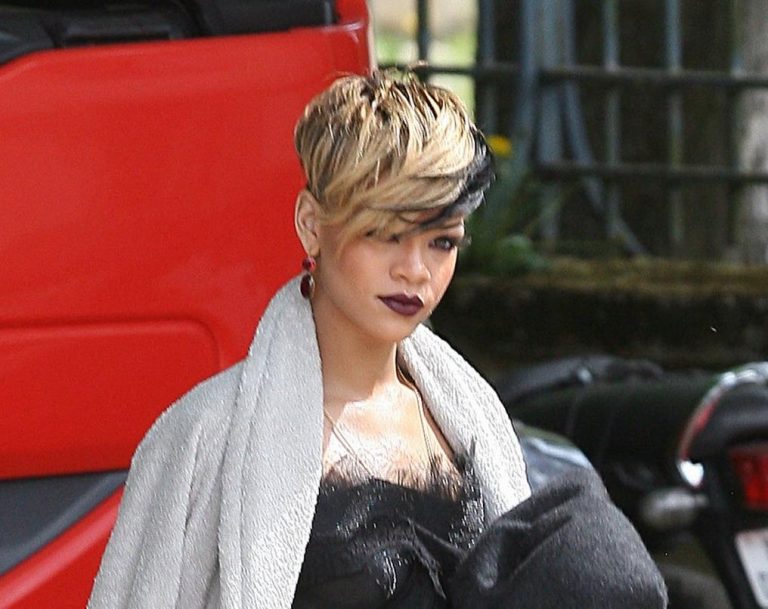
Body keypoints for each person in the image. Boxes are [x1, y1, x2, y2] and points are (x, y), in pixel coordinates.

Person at [87, 71, 667, 609]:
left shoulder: (473, 419)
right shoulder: (205, 437)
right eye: (386, 234)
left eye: (442, 241)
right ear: (311, 224)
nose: (415, 270)